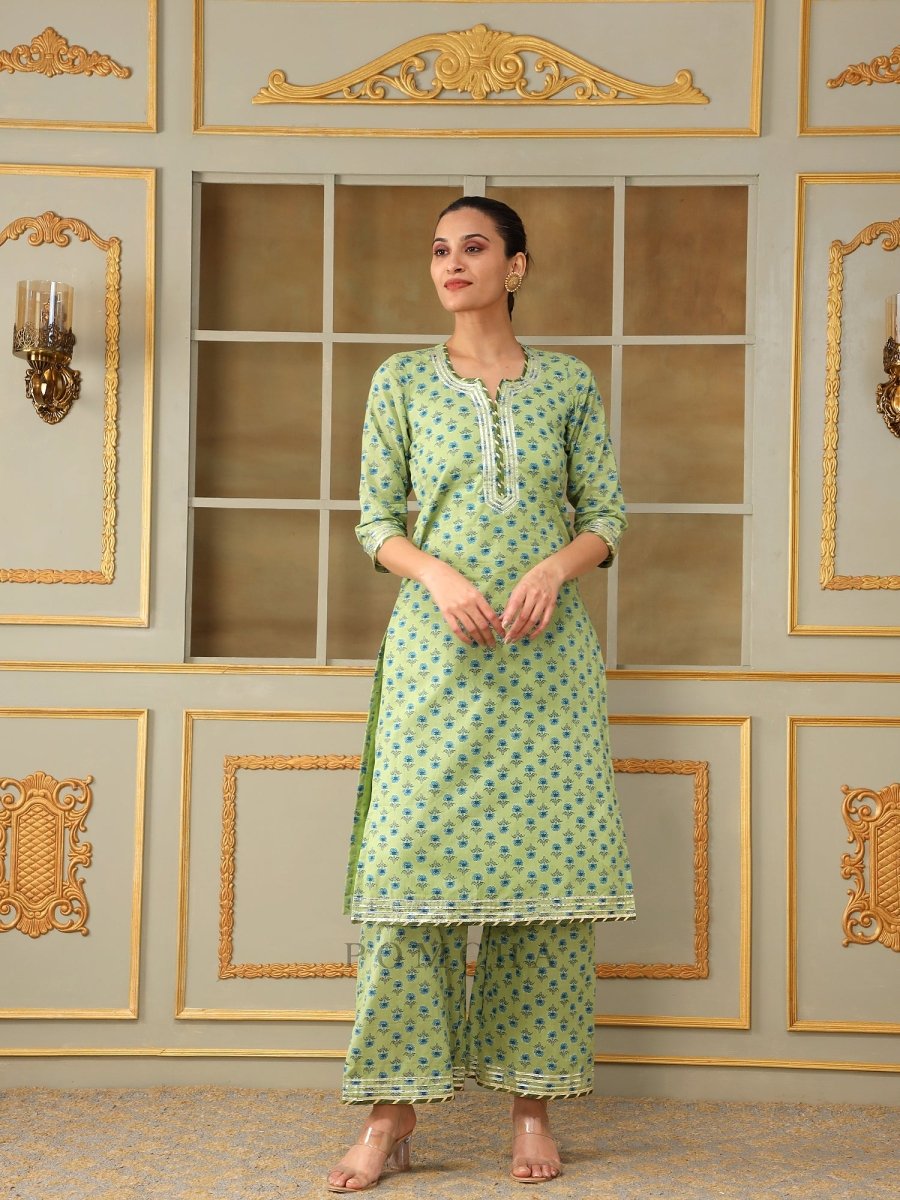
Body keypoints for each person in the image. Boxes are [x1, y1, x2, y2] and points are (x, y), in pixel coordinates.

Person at [326, 196, 635, 1192]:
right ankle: (392, 1115)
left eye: (473, 248)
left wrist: (554, 567)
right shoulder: (402, 380)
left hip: (546, 669)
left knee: (543, 889)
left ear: (517, 266)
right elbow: (375, 519)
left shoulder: (569, 384)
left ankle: (531, 1109)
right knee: (408, 879)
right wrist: (439, 575)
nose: (451, 264)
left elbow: (608, 516)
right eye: (439, 250)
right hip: (438, 660)